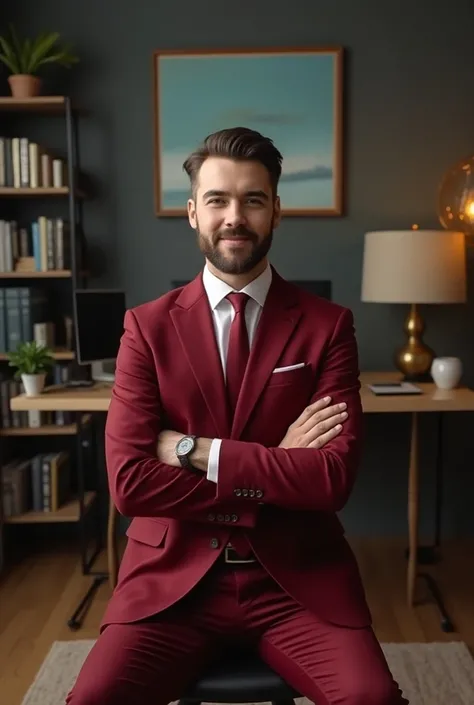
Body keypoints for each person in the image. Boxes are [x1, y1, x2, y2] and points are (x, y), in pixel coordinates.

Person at [67, 127, 408, 705]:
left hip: (297, 583)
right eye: (218, 200)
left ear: (275, 210)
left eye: (252, 200)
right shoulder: (146, 329)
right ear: (193, 212)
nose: (235, 216)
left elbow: (331, 480)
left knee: (372, 698)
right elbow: (129, 485)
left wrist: (195, 450)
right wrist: (276, 468)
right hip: (172, 586)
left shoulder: (328, 326)